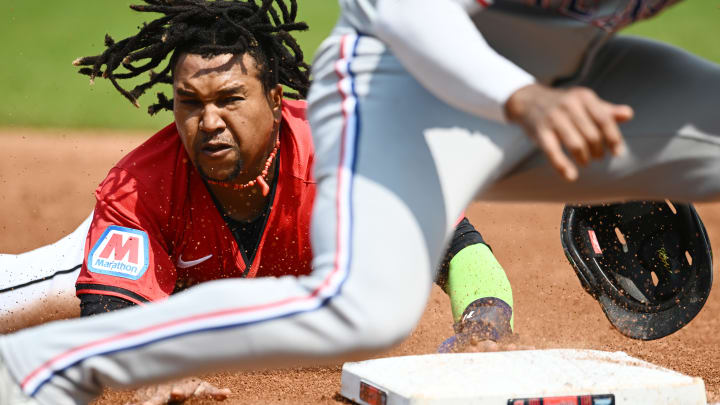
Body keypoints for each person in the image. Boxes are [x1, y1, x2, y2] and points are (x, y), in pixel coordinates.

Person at [3, 0, 720, 404]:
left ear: (274, 98)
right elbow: (112, 311)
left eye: (229, 99)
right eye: (189, 103)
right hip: (106, 259)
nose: (208, 121)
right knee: (30, 293)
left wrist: (485, 321)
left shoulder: (340, 148)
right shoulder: (141, 186)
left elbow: (456, 244)